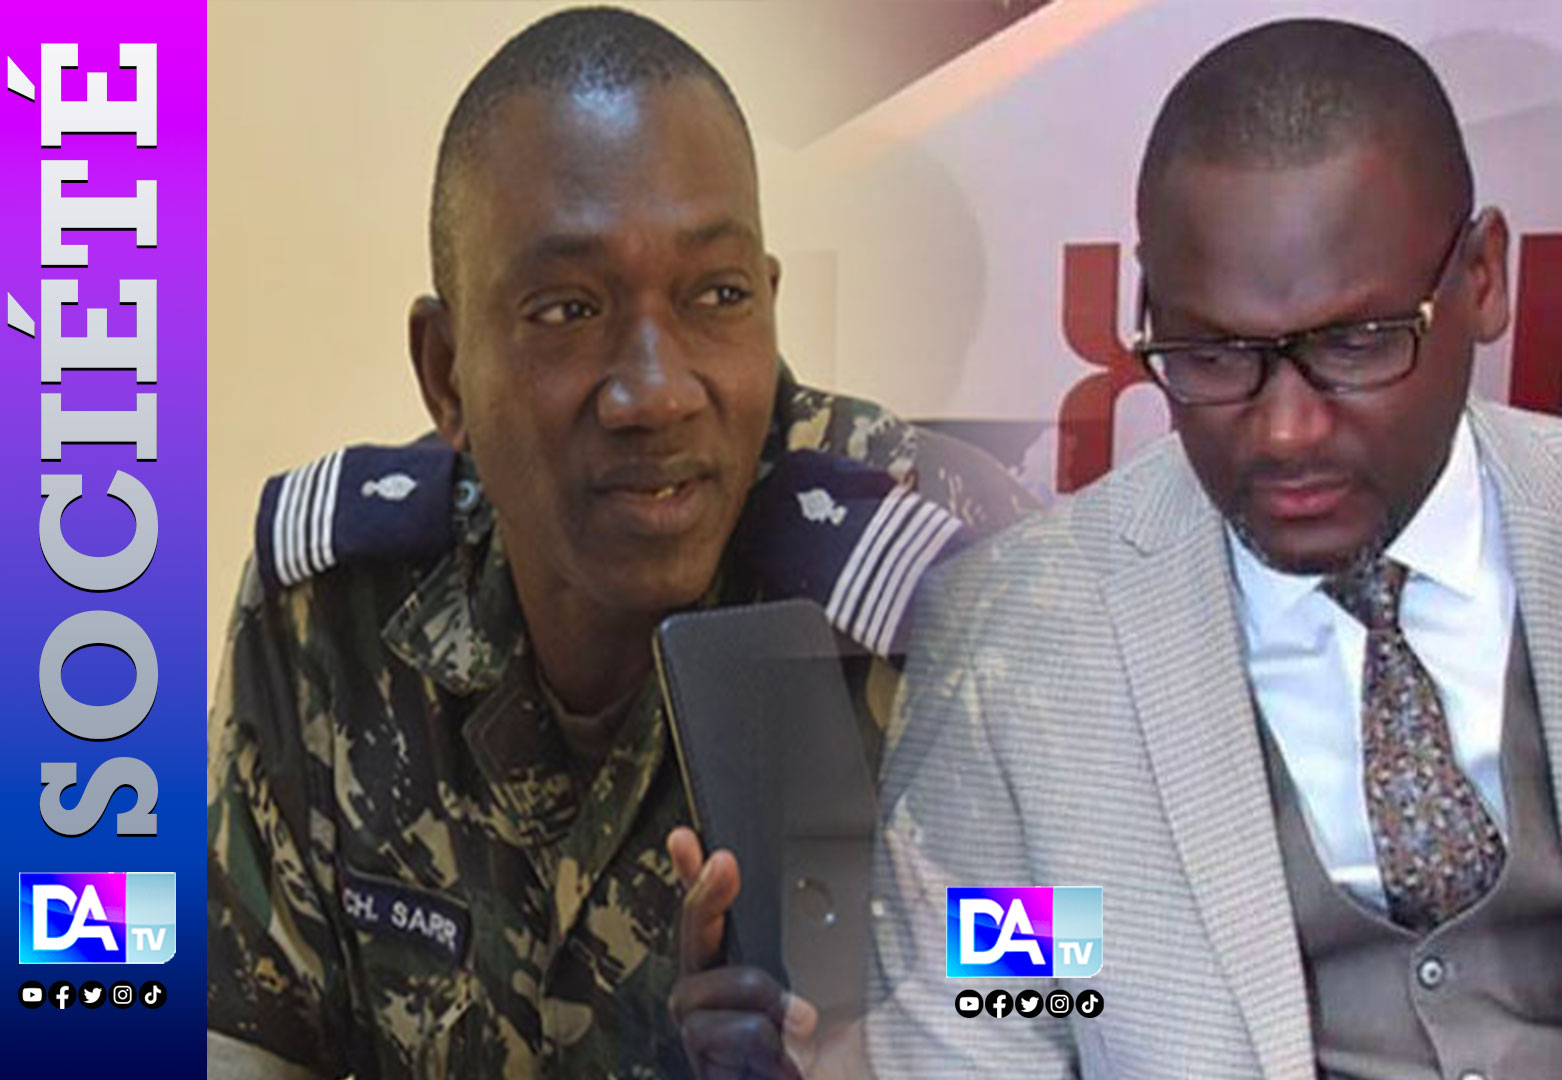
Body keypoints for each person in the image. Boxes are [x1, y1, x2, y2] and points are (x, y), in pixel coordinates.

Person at [868, 18, 1562, 1079]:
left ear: (1484, 279)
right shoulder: (1020, 651)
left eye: (1358, 343)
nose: (1286, 432)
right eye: (1214, 354)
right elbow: (992, 1036)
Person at [204, 8, 1028, 1079]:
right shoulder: (338, 607)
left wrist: (879, 1054)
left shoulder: (965, 598)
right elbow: (243, 1037)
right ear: (447, 373)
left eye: (717, 296)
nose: (655, 391)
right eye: (568, 309)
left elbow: (1091, 992)